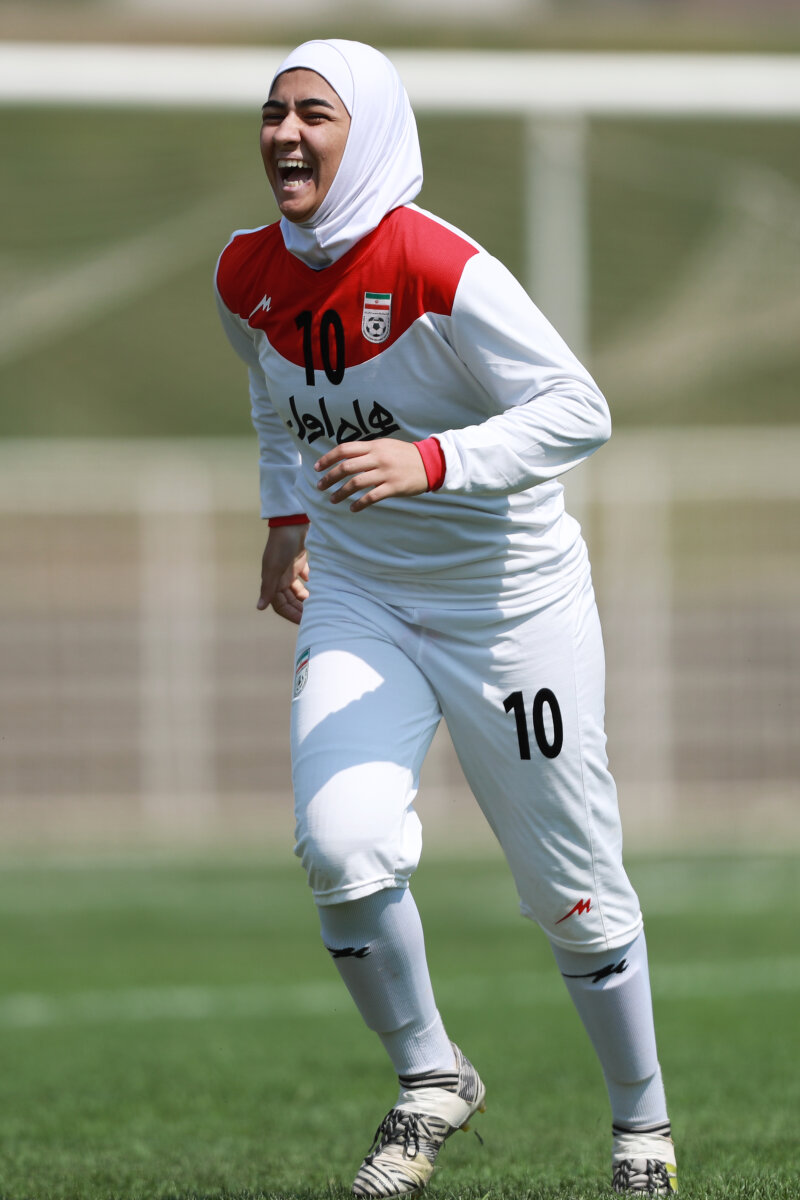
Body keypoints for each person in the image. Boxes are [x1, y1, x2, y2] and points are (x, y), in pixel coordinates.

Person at [214, 38, 677, 1198]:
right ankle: (431, 1077)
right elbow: (274, 404)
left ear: (368, 130)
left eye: (313, 114)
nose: (284, 134)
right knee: (341, 844)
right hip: (360, 598)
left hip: (510, 611)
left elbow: (578, 408)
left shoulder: (436, 262)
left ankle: (641, 1130)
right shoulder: (242, 274)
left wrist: (432, 459)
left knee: (571, 890)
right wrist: (285, 522)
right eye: (273, 112)